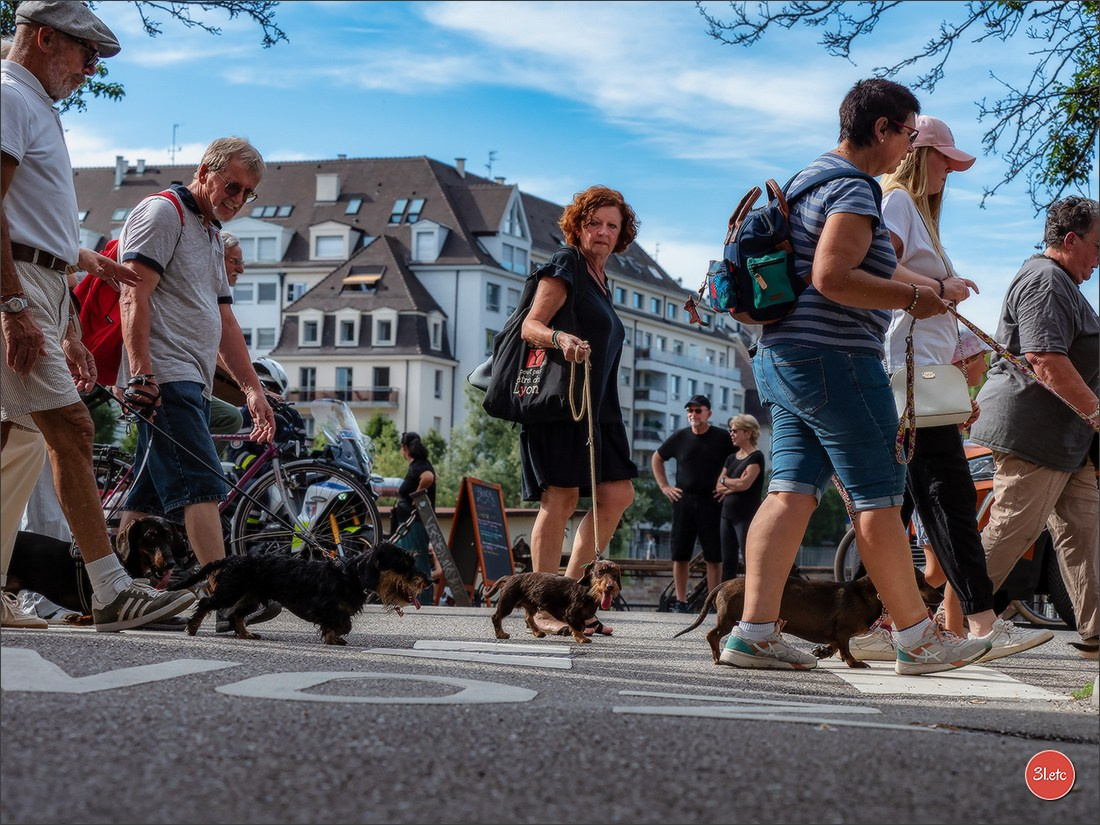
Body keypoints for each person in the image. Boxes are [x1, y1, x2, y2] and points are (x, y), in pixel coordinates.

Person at [721, 78, 991, 674]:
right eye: (907, 134)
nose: (908, 147)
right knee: (878, 496)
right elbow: (833, 277)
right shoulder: (853, 187)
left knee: (789, 493)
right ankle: (918, 640)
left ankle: (753, 632)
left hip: (781, 357)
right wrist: (916, 297)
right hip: (837, 359)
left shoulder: (803, 181)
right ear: (882, 128)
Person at [1, 1, 195, 630]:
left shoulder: (33, 105)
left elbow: (36, 227)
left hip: (39, 286)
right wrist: (14, 307)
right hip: (17, 288)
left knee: (13, 442)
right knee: (72, 430)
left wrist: (73, 300)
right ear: (43, 38)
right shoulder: (10, 95)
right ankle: (111, 591)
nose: (90, 70)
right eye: (86, 54)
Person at [847, 115, 1052, 662]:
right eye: (945, 160)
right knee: (949, 497)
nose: (950, 172)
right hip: (908, 376)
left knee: (902, 503)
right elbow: (877, 268)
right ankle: (983, 622)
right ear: (920, 154)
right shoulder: (897, 202)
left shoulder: (910, 209)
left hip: (919, 378)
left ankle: (878, 625)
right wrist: (941, 285)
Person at [114, 136, 280, 632]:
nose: (238, 199)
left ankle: (120, 595)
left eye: (247, 193)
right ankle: (227, 601)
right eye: (232, 186)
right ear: (205, 172)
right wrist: (142, 372)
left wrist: (252, 389)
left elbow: (225, 321)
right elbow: (133, 294)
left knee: (145, 499)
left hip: (193, 379)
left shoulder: (209, 231)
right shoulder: (163, 213)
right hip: (167, 375)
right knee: (203, 485)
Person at [970, 196, 1099, 656]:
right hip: (1035, 436)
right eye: (1098, 246)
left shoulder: (1062, 283)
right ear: (1071, 240)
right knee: (1013, 529)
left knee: (1085, 532)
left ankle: (1097, 631)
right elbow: (1045, 359)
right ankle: (948, 623)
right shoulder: (1046, 280)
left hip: (1066, 440)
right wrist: (1097, 414)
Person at [520, 185, 640, 636]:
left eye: (612, 225)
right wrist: (560, 338)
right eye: (594, 223)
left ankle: (570, 598)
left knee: (618, 494)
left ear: (622, 234)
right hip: (561, 402)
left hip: (599, 408)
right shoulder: (566, 263)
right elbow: (532, 325)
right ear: (578, 226)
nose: (603, 232)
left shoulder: (602, 280)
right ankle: (542, 605)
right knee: (561, 498)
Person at [652, 395, 732, 610]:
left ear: (708, 413)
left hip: (712, 500)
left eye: (698, 411)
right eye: (690, 411)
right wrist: (665, 487)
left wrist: (729, 488)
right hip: (684, 500)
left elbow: (740, 458)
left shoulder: (722, 437)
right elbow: (657, 458)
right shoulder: (680, 437)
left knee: (714, 556)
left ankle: (713, 603)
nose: (693, 414)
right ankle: (681, 601)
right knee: (680, 555)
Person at [715, 413, 765, 582]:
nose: (732, 434)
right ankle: (727, 597)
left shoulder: (756, 457)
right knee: (728, 564)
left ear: (748, 432)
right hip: (726, 516)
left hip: (745, 517)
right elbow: (718, 486)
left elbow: (744, 484)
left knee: (748, 560)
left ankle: (750, 596)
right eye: (731, 430)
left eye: (735, 430)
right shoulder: (731, 458)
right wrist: (731, 483)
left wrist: (728, 482)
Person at [208, 231, 246, 436]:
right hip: (169, 380)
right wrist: (253, 388)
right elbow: (221, 352)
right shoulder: (206, 296)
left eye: (242, 263)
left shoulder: (214, 295)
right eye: (234, 262)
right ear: (216, 258)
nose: (241, 269)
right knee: (231, 418)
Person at [390, 431, 436, 535]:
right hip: (411, 524)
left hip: (414, 525)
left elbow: (428, 477)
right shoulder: (423, 463)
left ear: (404, 447)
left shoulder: (418, 465)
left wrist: (418, 496)